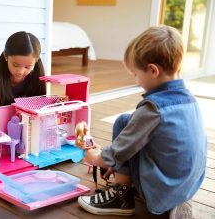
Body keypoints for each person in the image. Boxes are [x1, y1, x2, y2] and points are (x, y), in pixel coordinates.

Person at [77, 26, 207, 218]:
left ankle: (121, 197)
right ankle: (176, 200)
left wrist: (96, 157)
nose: (136, 80)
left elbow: (120, 148)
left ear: (153, 70)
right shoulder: (190, 100)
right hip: (187, 185)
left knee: (123, 123)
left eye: (135, 74)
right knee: (130, 123)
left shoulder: (152, 109)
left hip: (162, 188)